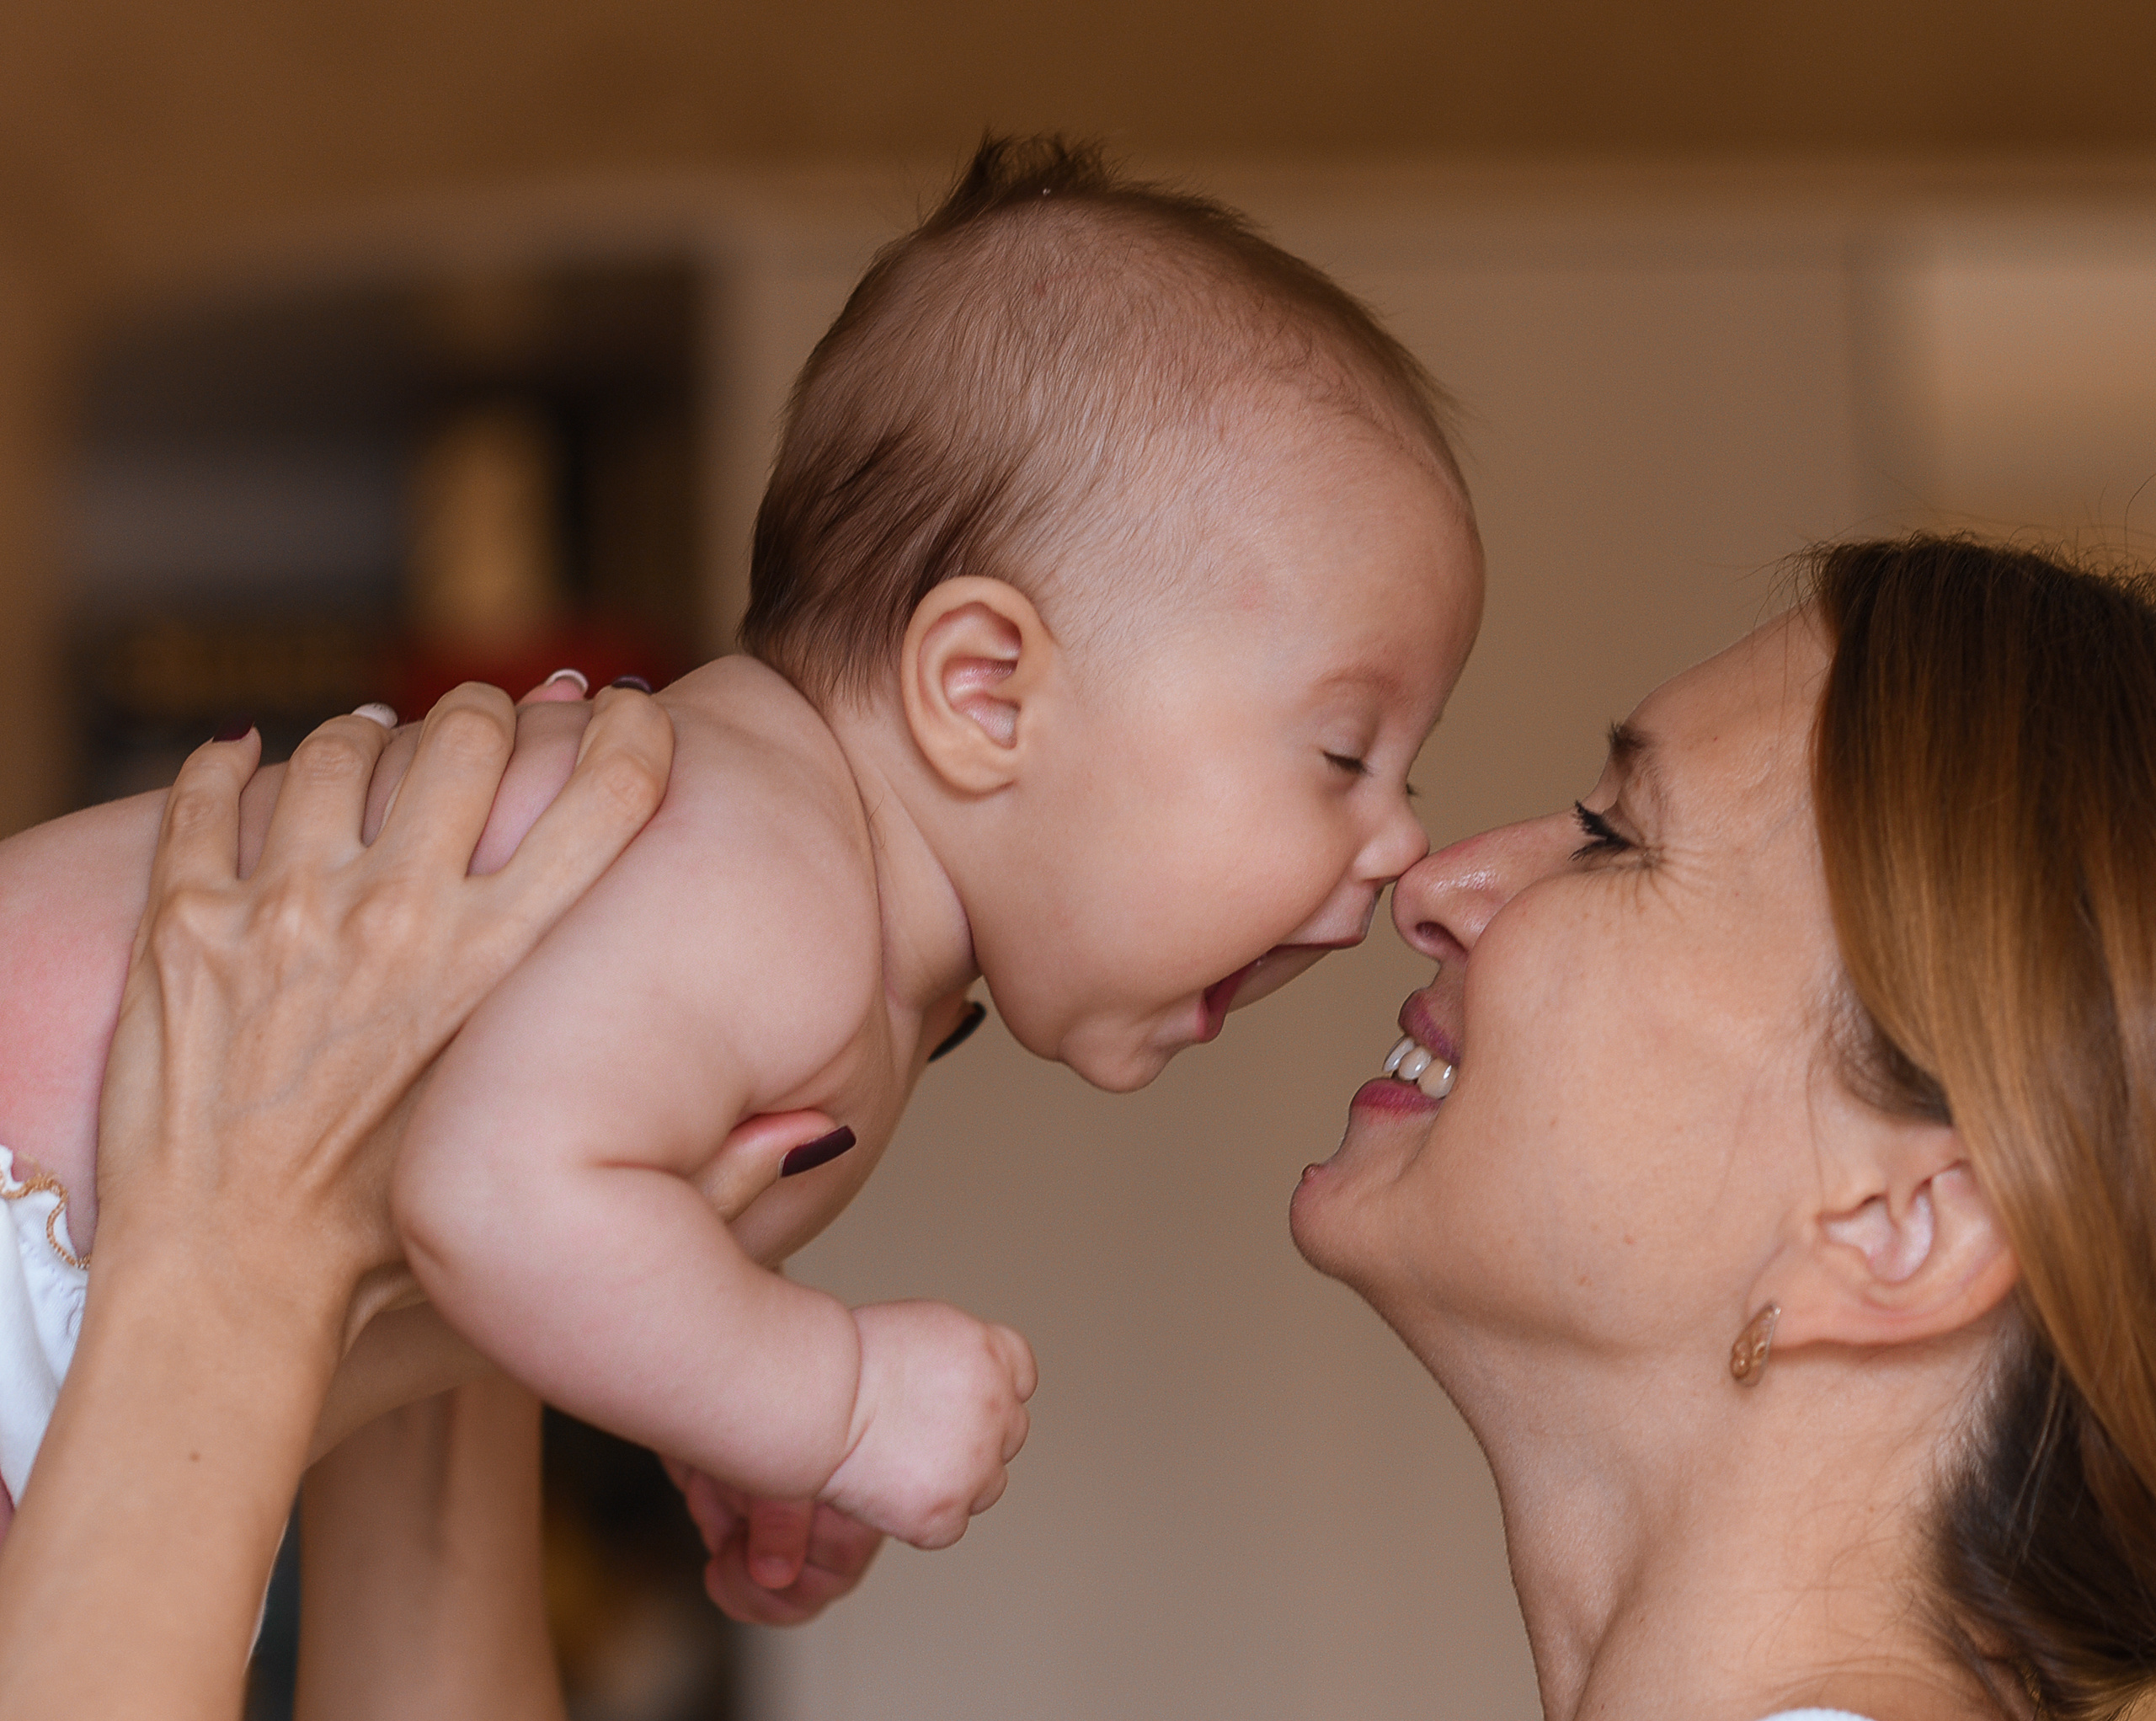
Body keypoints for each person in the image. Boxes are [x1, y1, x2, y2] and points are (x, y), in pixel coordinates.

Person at [7, 530, 2153, 1721]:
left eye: (1609, 836)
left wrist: (223, 1246)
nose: (1444, 879)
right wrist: (504, 1117)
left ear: (1898, 1216)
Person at [0, 136, 1479, 1578]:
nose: (1401, 841)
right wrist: (826, 1398)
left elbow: (535, 1187)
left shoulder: (829, 915)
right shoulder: (769, 870)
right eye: (1343, 753)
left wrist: (703, 1391)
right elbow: (493, 1195)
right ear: (984, 690)